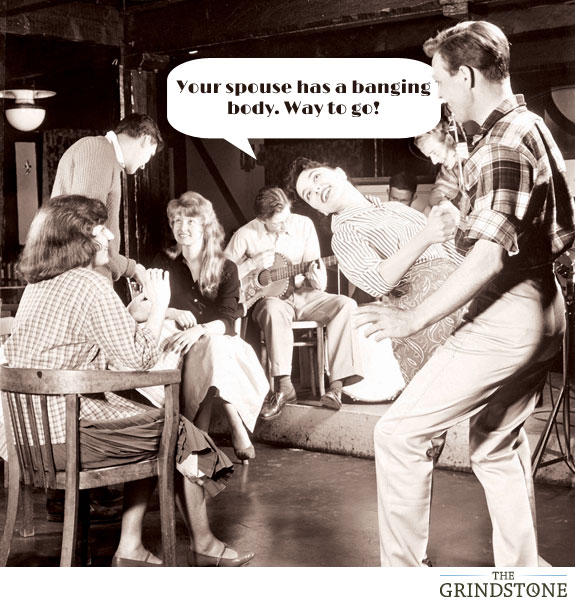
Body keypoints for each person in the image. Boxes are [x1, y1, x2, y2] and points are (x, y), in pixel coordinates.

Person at [355, 20, 575, 567]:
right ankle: (524, 575)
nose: (438, 93)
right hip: (544, 310)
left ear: (468, 76)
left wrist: (411, 320)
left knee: (399, 435)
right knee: (495, 444)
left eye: (439, 80)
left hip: (508, 313)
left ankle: (403, 582)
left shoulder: (503, 143)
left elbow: (488, 257)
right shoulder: (526, 126)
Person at [4, 195, 254, 567]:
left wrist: (130, 316)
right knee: (176, 433)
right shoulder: (89, 284)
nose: (109, 236)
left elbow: (79, 351)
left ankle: (134, 546)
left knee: (159, 428)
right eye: (100, 229)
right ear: (79, 239)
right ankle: (201, 547)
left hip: (28, 443)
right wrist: (159, 304)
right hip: (69, 441)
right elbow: (138, 360)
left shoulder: (37, 287)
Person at [286, 156, 464, 384]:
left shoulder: (395, 208)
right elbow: (377, 282)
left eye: (316, 177)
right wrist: (425, 236)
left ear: (340, 172)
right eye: (308, 194)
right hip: (421, 308)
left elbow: (449, 249)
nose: (316, 189)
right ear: (318, 209)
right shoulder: (344, 234)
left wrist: (454, 226)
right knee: (447, 384)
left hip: (458, 289)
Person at [146, 192, 269, 462]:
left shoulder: (226, 267)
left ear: (205, 226)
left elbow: (227, 321)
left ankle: (202, 435)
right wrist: (172, 311)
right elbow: (145, 304)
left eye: (190, 221)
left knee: (212, 348)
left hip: (218, 338)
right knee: (197, 351)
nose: (182, 227)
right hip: (177, 339)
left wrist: (200, 330)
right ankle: (232, 424)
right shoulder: (164, 262)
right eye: (177, 221)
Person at [225, 186, 363, 416]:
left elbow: (316, 275)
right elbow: (221, 275)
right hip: (270, 300)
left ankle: (336, 388)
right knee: (273, 309)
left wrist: (317, 279)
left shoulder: (304, 225)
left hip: (304, 294)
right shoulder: (245, 235)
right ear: (262, 219)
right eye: (278, 223)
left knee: (345, 305)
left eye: (287, 218)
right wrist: (250, 265)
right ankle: (284, 387)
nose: (285, 225)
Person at [51, 113, 163, 284]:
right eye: (150, 155)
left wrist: (131, 268)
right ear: (146, 139)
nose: (143, 166)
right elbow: (88, 232)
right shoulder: (99, 151)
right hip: (86, 277)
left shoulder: (104, 154)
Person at [414, 120, 463, 209]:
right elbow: (435, 194)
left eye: (435, 153)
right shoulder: (447, 170)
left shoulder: (474, 156)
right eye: (430, 156)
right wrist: (442, 202)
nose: (434, 162)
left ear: (449, 140)